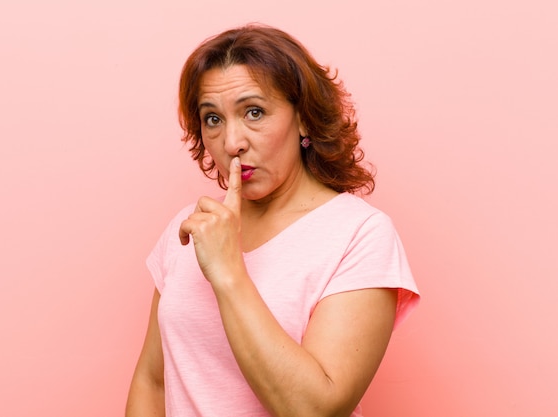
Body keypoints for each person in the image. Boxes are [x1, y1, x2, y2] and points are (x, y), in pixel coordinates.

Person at [126, 23, 420, 417]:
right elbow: (153, 380)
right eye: (212, 119)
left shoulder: (359, 235)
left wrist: (228, 272)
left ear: (303, 118)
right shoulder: (192, 226)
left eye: (254, 112)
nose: (232, 143)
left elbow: (316, 409)